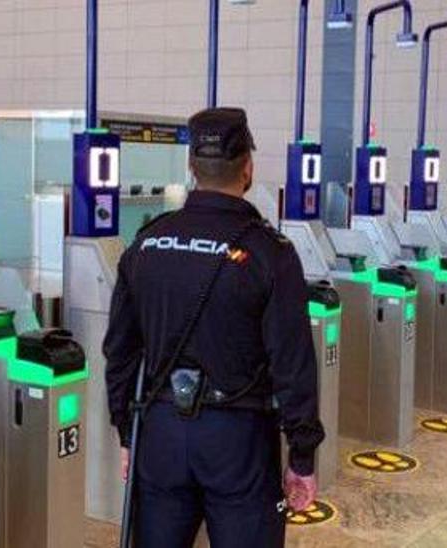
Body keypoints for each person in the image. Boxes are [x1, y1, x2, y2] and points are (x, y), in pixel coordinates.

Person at [103, 107, 325, 547]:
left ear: (191, 168)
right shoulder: (270, 252)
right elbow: (293, 364)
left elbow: (120, 352)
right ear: (248, 169)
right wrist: (302, 456)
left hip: (161, 433)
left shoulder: (146, 243)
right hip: (239, 439)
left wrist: (127, 431)